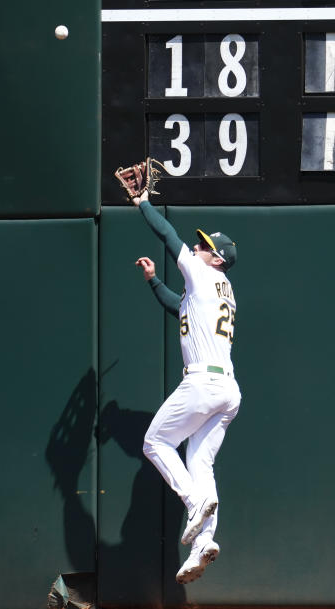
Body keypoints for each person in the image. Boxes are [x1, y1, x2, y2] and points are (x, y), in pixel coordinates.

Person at [131, 191, 241, 585]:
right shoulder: (217, 290)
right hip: (228, 391)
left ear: (219, 259)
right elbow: (176, 304)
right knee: (200, 463)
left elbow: (168, 235)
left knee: (155, 443)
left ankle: (194, 503)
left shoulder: (204, 272)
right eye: (201, 244)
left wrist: (143, 203)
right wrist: (153, 280)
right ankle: (204, 545)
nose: (198, 248)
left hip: (203, 382)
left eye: (206, 247)